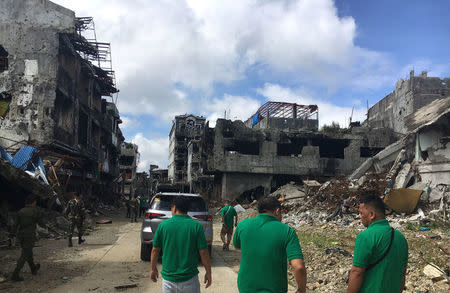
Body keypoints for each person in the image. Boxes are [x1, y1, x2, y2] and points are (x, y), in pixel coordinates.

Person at [233, 196, 306, 293]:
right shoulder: (287, 231)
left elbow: (237, 245)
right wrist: (301, 289)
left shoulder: (242, 225)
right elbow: (299, 267)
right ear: (277, 211)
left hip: (245, 288)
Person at [347, 192, 408, 293]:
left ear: (371, 215)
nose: (360, 216)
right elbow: (402, 274)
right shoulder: (401, 238)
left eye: (361, 213)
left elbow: (357, 272)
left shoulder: (365, 236)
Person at [150, 196, 211, 293]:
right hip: (190, 280)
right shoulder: (196, 226)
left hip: (169, 281)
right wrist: (208, 272)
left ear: (174, 207)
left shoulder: (163, 226)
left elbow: (155, 250)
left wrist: (153, 269)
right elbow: (203, 252)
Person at [10, 194, 44, 281]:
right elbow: (41, 222)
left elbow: (15, 225)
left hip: (21, 235)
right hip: (29, 235)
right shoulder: (35, 211)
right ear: (34, 202)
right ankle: (15, 274)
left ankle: (33, 268)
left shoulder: (20, 211)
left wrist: (12, 235)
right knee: (25, 254)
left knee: (28, 252)